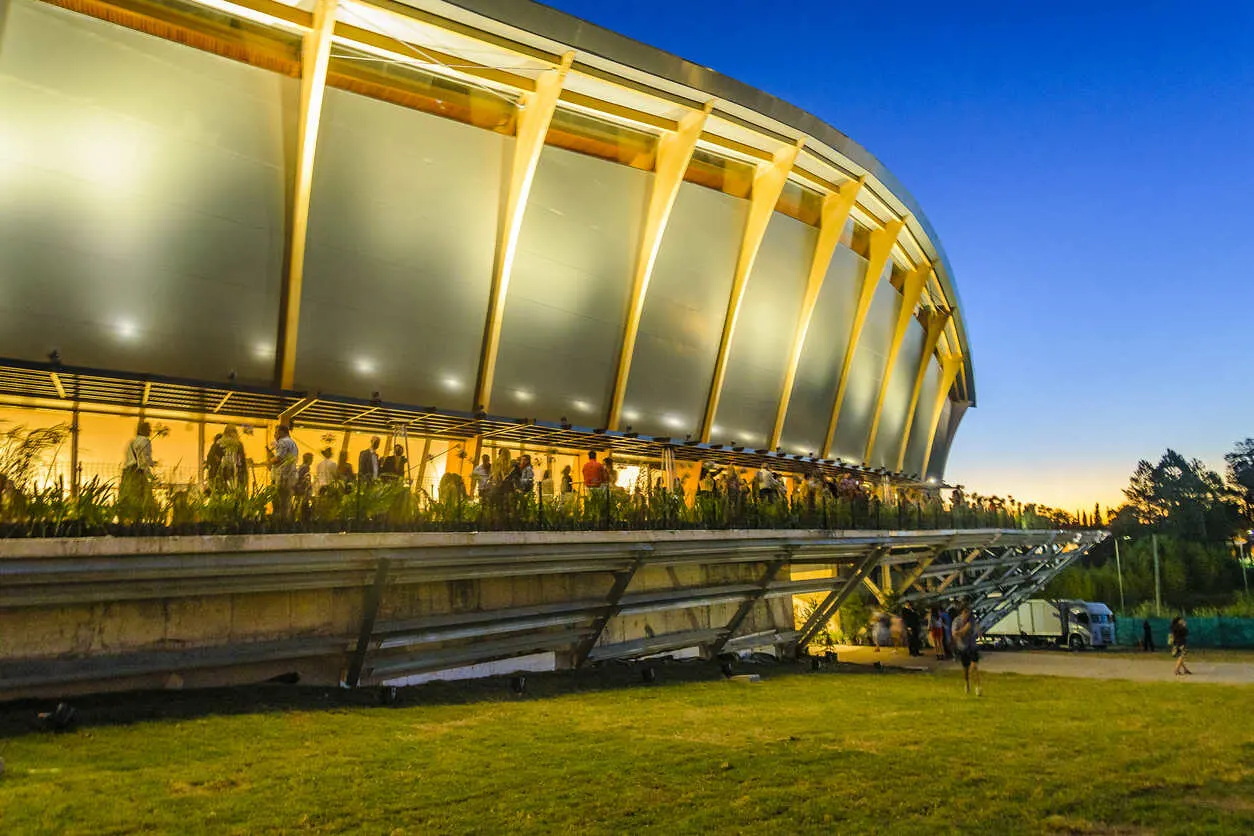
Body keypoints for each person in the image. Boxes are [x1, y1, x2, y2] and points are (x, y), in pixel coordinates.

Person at [119, 420, 155, 522]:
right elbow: (144, 459)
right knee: (141, 498)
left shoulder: (131, 442)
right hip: (138, 473)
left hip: (127, 472)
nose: (151, 431)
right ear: (145, 430)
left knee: (128, 497)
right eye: (149, 429)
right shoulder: (145, 441)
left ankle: (127, 519)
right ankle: (139, 520)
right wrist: (149, 473)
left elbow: (131, 458)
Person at [269, 425, 299, 521]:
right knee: (287, 503)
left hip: (281, 477)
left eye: (277, 432)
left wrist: (269, 461)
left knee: (279, 502)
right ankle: (286, 523)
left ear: (282, 432)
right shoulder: (293, 443)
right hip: (290, 476)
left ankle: (279, 524)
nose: (275, 434)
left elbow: (278, 458)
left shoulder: (283, 442)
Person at [951, 604, 982, 696]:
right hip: (962, 647)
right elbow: (954, 634)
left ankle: (978, 687)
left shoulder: (972, 620)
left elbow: (978, 631)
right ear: (961, 613)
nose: (967, 614)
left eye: (968, 612)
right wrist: (964, 630)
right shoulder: (957, 621)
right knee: (965, 669)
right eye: (965, 612)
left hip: (972, 646)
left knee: (974, 667)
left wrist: (979, 635)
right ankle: (967, 683)